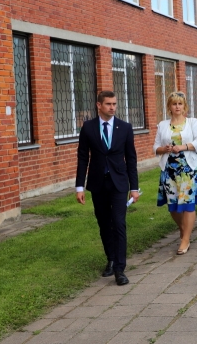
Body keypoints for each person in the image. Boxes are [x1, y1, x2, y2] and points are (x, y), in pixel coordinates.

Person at [75, 91, 139, 286]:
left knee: (118, 223)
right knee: (104, 223)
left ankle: (120, 269)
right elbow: (83, 158)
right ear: (99, 105)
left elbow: (131, 159)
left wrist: (134, 187)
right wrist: (79, 187)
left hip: (119, 182)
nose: (112, 107)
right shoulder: (88, 127)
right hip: (98, 183)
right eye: (108, 104)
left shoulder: (125, 128)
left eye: (114, 104)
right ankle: (110, 259)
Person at [154, 92, 197, 255]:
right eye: (174, 104)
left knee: (188, 203)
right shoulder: (162, 125)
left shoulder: (192, 122)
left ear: (184, 106)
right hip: (169, 170)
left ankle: (185, 239)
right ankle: (184, 230)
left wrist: (183, 147)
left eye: (180, 103)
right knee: (173, 206)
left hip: (188, 169)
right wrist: (164, 149)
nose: (177, 107)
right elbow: (155, 147)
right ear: (169, 107)